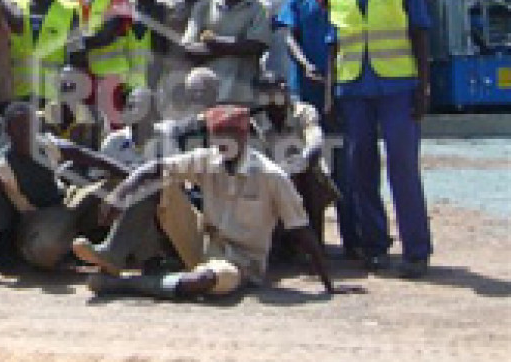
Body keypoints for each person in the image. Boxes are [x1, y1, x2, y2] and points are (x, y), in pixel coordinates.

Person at [87, 105, 342, 300]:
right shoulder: (207, 160)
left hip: (240, 263)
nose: (222, 144)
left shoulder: (271, 176)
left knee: (202, 282)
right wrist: (120, 192)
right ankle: (113, 253)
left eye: (228, 137)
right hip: (202, 241)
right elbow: (155, 168)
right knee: (158, 182)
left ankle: (122, 285)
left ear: (243, 137)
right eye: (217, 138)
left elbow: (301, 229)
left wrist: (328, 285)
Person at [328, 0, 433, 278]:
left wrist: (423, 86)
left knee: (403, 170)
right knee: (361, 171)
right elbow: (334, 44)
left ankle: (416, 251)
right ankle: (375, 246)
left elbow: (419, 32)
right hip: (354, 88)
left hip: (397, 88)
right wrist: (330, 95)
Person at [0, 102, 127, 285]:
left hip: (66, 203)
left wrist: (129, 175)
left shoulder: (46, 145)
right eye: (19, 129)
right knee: (46, 250)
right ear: (8, 131)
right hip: (37, 221)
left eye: (29, 127)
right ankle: (76, 246)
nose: (25, 134)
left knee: (118, 190)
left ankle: (115, 251)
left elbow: (88, 156)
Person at [276, 0, 361, 254]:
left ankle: (353, 240)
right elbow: (287, 34)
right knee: (305, 168)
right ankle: (310, 242)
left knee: (346, 170)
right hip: (307, 96)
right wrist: (303, 63)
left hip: (345, 94)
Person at [250, 71, 341, 247]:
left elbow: (315, 143)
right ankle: (278, 241)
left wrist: (296, 165)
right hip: (271, 180)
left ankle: (314, 243)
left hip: (304, 174)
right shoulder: (255, 122)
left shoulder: (305, 111)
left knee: (312, 178)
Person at [182, 0, 271, 105]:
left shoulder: (259, 7)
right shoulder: (203, 6)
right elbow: (188, 49)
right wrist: (235, 46)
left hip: (243, 96)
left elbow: (256, 46)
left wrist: (214, 42)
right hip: (205, 97)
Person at [10, 0, 80, 103]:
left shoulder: (70, 10)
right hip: (18, 92)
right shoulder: (14, 5)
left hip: (52, 94)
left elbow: (76, 54)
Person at [76, 0, 133, 125]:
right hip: (85, 77)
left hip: (112, 77)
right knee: (88, 129)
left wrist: (73, 43)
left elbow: (106, 36)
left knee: (114, 132)